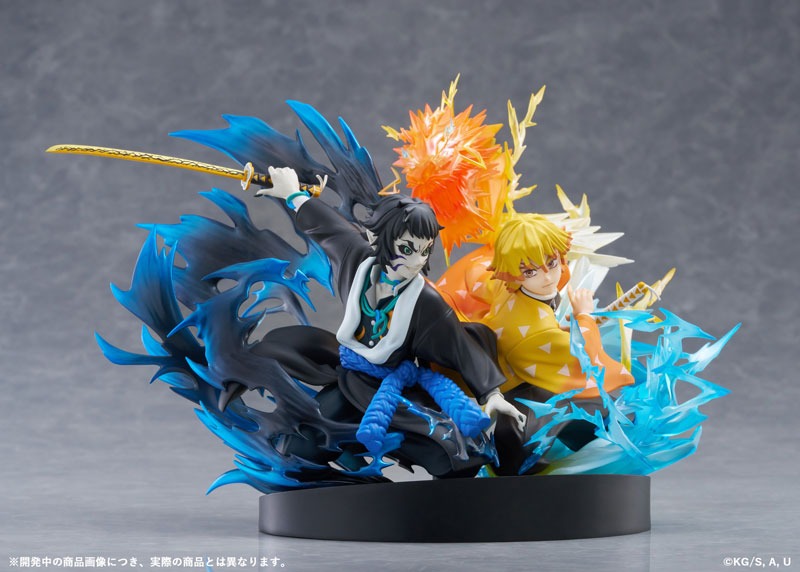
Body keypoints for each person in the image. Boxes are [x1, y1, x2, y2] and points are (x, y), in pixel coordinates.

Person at [249, 167, 524, 478]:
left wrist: (492, 396)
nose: (417, 261)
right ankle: (345, 457)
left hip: (395, 391)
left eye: (425, 251)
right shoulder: (357, 260)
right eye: (407, 249)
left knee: (456, 457)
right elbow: (328, 228)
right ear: (376, 238)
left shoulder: (426, 303)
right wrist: (292, 193)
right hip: (350, 380)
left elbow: (461, 348)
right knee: (300, 445)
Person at [437, 213, 635, 475]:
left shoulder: (504, 285)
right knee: (609, 408)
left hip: (515, 363)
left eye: (551, 263)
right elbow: (583, 356)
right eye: (530, 271)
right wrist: (584, 316)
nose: (547, 277)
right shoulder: (535, 334)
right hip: (521, 390)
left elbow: (479, 277)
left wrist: (560, 327)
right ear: (514, 273)